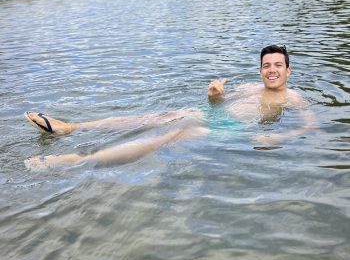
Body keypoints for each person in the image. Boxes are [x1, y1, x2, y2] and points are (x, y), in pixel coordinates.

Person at [24, 45, 315, 170]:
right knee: (157, 117)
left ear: (289, 71)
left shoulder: (294, 98)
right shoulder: (248, 88)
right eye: (266, 65)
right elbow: (218, 105)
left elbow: (308, 126)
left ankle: (76, 160)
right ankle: (71, 127)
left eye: (278, 65)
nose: (272, 70)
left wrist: (278, 138)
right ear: (260, 70)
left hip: (233, 130)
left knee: (174, 135)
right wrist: (215, 95)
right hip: (216, 116)